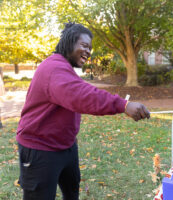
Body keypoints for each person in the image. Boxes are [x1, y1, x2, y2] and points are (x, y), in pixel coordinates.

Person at [16, 22, 150, 200]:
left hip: (66, 146)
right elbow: (82, 96)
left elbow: (72, 102)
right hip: (40, 149)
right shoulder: (53, 69)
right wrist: (123, 105)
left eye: (90, 48)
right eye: (84, 45)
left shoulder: (64, 68)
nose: (88, 52)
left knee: (71, 192)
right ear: (69, 42)